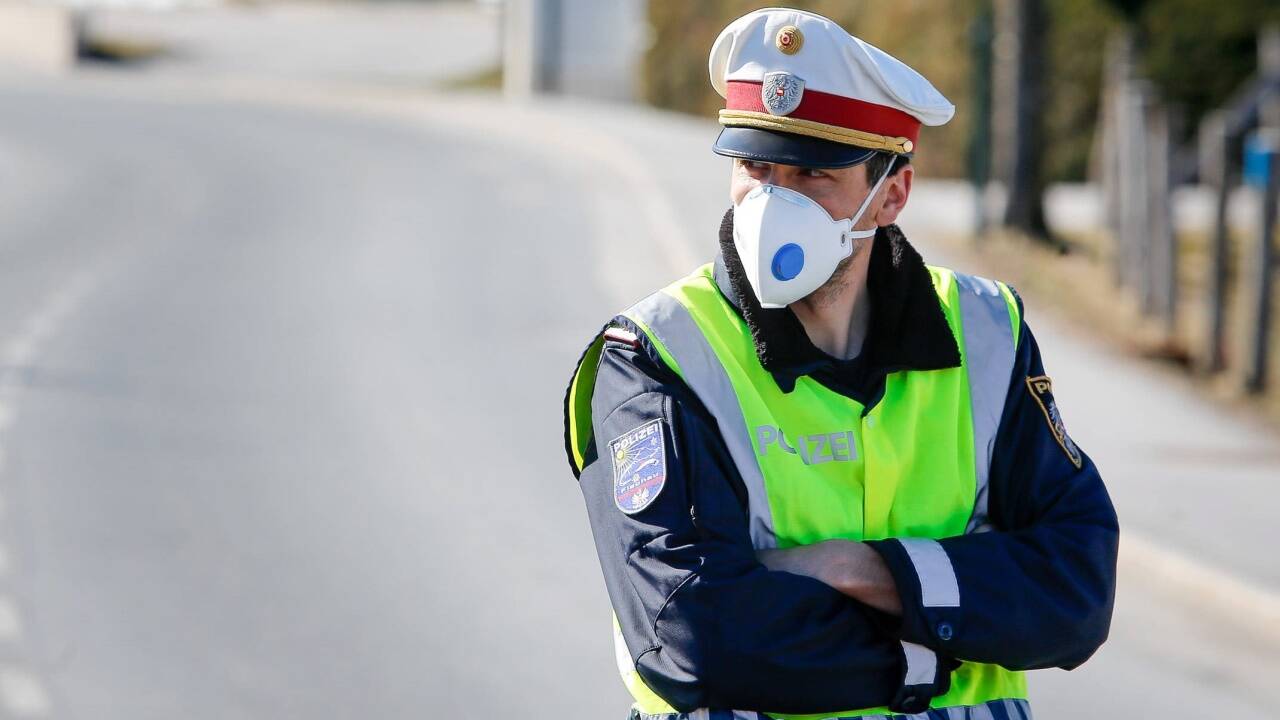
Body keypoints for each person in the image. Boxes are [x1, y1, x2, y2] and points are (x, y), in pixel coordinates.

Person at [563, 8, 1118, 720]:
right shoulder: (659, 355)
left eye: (812, 174)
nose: (771, 201)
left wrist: (863, 569)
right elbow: (692, 636)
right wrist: (930, 649)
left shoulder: (987, 332)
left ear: (891, 194)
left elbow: (1076, 590)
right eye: (755, 166)